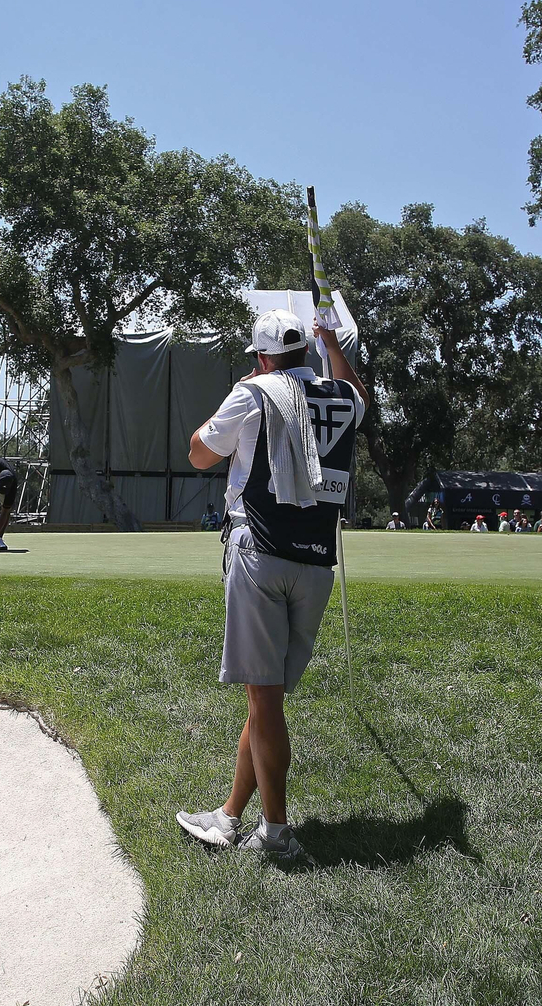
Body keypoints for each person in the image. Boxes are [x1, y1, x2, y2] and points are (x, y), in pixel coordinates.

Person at [174, 309, 367, 861]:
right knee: (266, 699)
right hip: (315, 565)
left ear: (261, 356)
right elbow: (358, 394)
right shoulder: (341, 395)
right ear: (307, 350)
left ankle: (277, 832)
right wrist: (334, 341)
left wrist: (233, 405)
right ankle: (229, 815)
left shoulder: (253, 392)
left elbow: (198, 454)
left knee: (264, 698)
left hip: (260, 554)